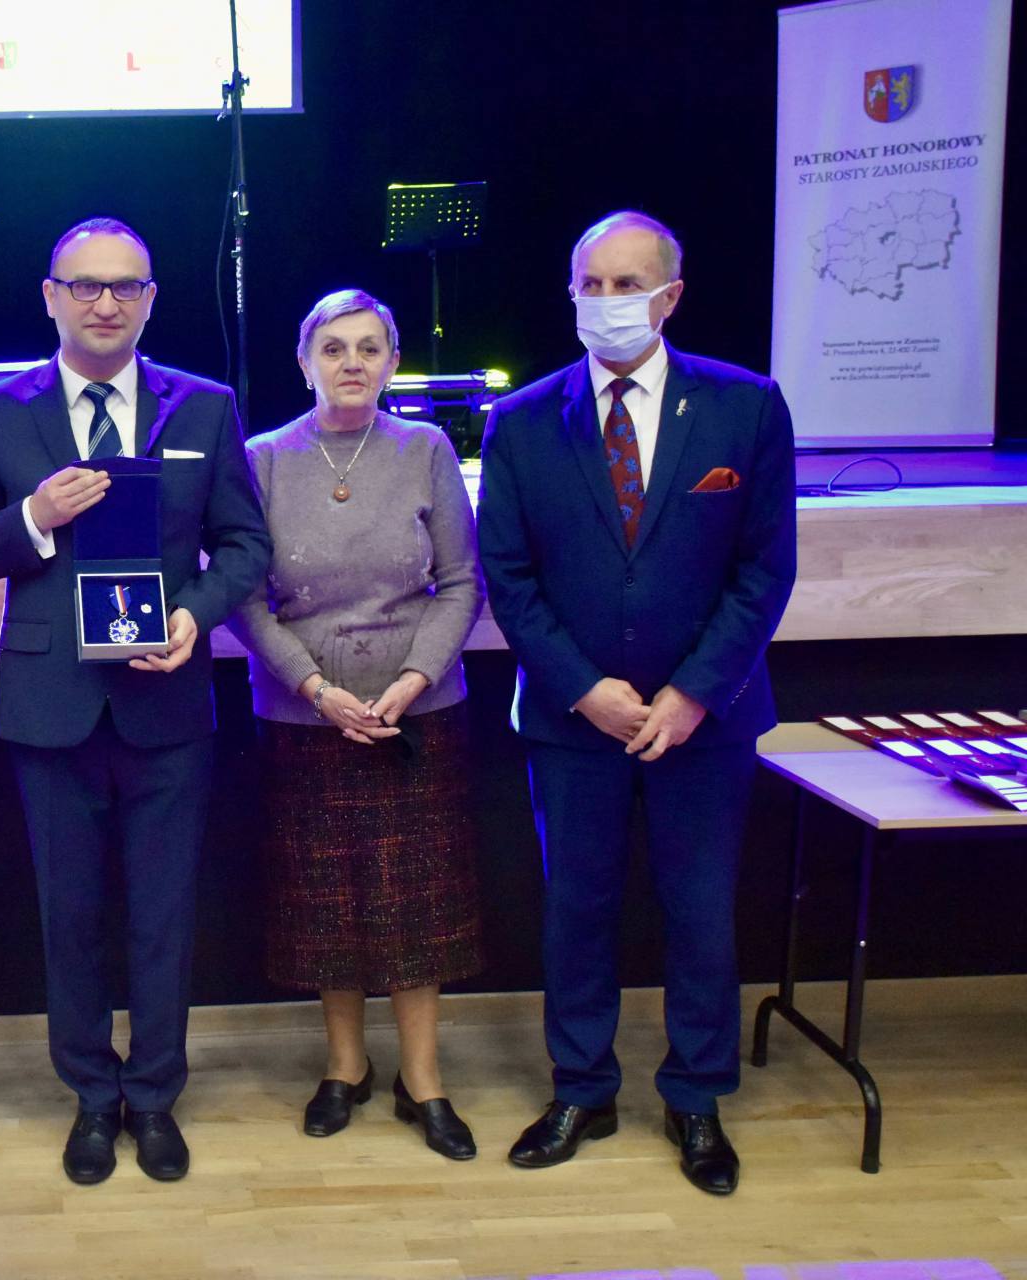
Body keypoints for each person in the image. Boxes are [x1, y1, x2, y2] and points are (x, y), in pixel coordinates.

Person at [0, 217, 270, 1185]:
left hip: (166, 704)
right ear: (51, 295)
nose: (105, 302)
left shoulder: (203, 407)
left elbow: (244, 545)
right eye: (85, 285)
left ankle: (156, 1095)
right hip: (49, 703)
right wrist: (32, 517)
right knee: (68, 913)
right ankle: (90, 1093)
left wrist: (196, 616)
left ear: (151, 298)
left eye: (125, 285)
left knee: (165, 914)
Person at [476, 211, 796, 1195]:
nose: (606, 302)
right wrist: (585, 689)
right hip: (575, 723)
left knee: (700, 912)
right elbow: (509, 576)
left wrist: (695, 693)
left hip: (705, 722)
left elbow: (764, 569)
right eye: (590, 283)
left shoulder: (746, 408)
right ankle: (584, 1086)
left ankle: (696, 1095)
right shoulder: (522, 420)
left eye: (627, 284)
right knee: (578, 908)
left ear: (671, 295)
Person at [229, 289, 486, 1159]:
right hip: (306, 718)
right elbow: (243, 595)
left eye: (369, 348)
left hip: (418, 713)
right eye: (333, 348)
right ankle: (345, 1068)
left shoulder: (427, 450)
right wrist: (312, 688)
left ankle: (424, 1080)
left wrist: (414, 679)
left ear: (391, 360)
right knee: (326, 907)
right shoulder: (261, 457)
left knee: (421, 906)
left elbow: (461, 584)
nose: (351, 363)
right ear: (304, 361)